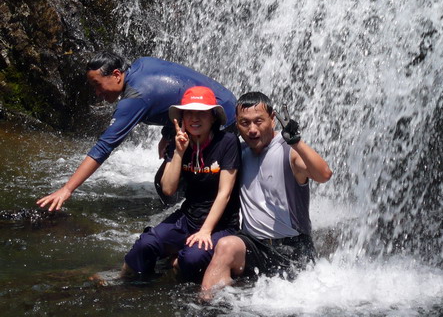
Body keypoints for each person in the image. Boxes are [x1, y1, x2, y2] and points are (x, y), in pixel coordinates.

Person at [36, 53, 236, 212]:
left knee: (167, 185)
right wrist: (167, 133)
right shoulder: (141, 64)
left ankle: (192, 220)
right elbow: (174, 93)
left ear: (116, 75)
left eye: (97, 85)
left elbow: (104, 147)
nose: (97, 93)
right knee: (169, 179)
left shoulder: (135, 97)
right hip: (224, 105)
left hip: (219, 120)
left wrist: (67, 189)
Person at [201, 91, 332, 296]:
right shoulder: (239, 152)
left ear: (273, 119)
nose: (252, 129)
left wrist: (297, 141)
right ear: (237, 124)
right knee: (225, 247)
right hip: (253, 244)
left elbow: (324, 174)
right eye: (245, 123)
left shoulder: (290, 151)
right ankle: (204, 305)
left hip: (292, 247)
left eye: (259, 121)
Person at [122, 86, 241, 282]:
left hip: (221, 224)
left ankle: (174, 265)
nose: (195, 118)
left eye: (201, 113)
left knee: (192, 259)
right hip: (187, 217)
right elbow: (168, 189)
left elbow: (225, 193)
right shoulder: (179, 142)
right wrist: (178, 151)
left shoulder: (226, 142)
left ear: (212, 117)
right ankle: (124, 283)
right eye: (189, 113)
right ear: (182, 118)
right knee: (145, 246)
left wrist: (206, 230)